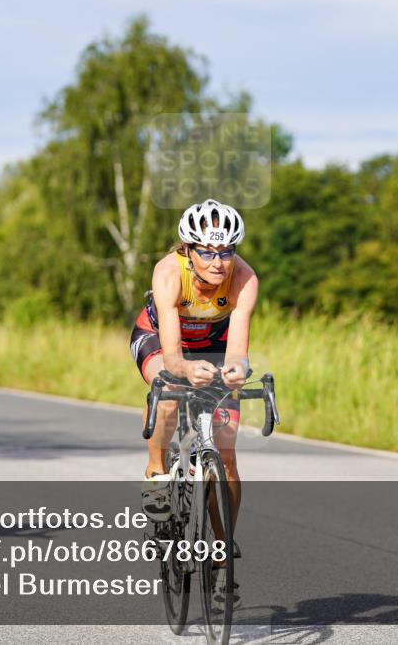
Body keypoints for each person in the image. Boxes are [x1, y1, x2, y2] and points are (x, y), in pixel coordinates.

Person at [130, 199, 258, 607]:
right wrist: (184, 369)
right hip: (161, 341)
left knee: (227, 451)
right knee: (168, 388)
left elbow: (237, 350)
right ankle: (156, 473)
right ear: (188, 250)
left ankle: (221, 550)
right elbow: (172, 357)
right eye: (208, 252)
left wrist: (236, 370)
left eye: (227, 251)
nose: (219, 262)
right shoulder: (169, 272)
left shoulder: (245, 279)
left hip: (213, 346)